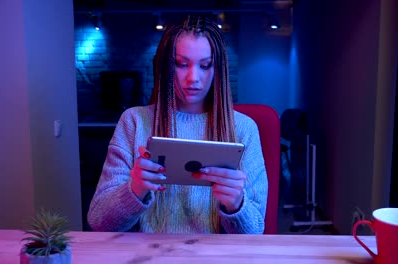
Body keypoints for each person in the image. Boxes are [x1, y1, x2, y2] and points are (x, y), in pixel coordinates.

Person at [87, 16, 268, 234]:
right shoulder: (134, 121)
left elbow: (255, 232)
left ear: (217, 70)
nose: (193, 78)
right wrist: (135, 189)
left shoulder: (244, 129)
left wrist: (236, 205)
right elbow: (98, 221)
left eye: (205, 65)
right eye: (181, 64)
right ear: (166, 67)